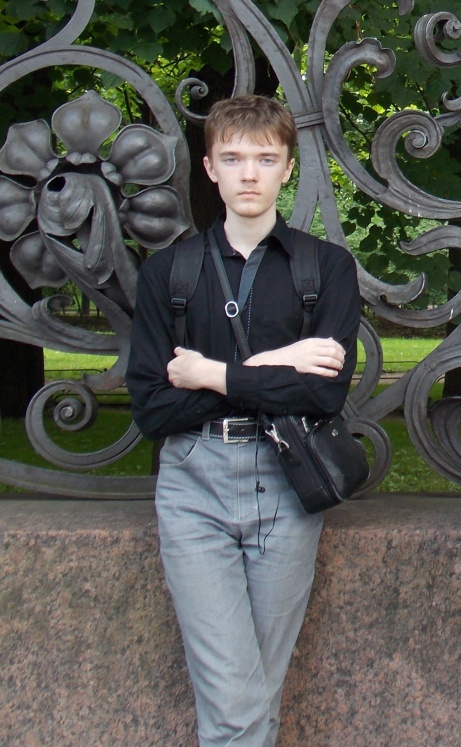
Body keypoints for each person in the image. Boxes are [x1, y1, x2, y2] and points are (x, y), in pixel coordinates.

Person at [126, 94, 361, 747]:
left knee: (257, 694)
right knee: (236, 704)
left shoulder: (326, 268)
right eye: (232, 159)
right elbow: (154, 407)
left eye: (265, 158)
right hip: (194, 485)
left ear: (287, 167)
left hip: (288, 483)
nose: (249, 174)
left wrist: (213, 373)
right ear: (209, 168)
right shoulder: (168, 272)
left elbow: (324, 396)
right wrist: (277, 366)